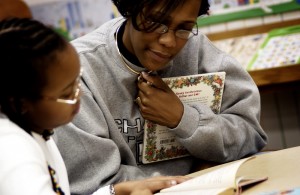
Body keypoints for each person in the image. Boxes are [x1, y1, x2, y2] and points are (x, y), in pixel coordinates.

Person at [54, 0, 268, 194]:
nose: (169, 41)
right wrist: (189, 180)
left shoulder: (196, 49)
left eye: (184, 28)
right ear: (129, 9)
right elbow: (100, 184)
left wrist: (184, 119)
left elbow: (250, 134)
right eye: (156, 22)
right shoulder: (78, 73)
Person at [0, 17, 187, 195]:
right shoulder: (14, 151)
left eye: (77, 84)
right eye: (66, 94)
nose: (79, 94)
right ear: (23, 103)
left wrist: (113, 191)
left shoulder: (37, 131)